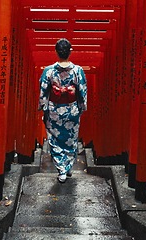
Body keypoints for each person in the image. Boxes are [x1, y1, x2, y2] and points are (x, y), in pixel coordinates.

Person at [38, 38, 87, 183]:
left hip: (54, 111)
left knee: (54, 139)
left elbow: (43, 91)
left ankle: (61, 170)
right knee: (71, 139)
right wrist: (82, 107)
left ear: (56, 52)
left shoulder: (49, 71)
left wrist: (42, 106)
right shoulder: (78, 71)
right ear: (70, 52)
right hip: (72, 110)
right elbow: (82, 90)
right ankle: (68, 166)